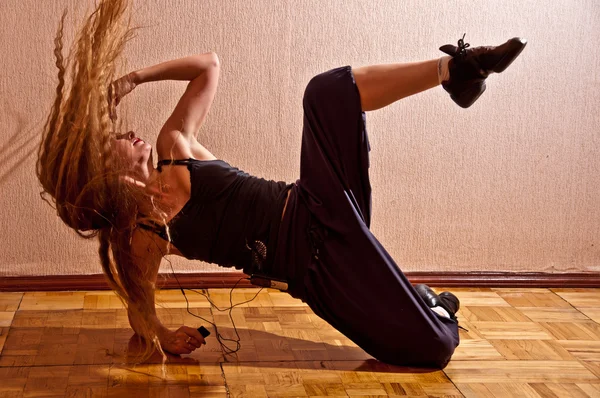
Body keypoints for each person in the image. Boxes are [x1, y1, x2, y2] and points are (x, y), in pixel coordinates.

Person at [37, 0, 526, 369]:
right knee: (434, 350)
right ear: (108, 176)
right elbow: (139, 310)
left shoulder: (174, 145)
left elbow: (209, 63)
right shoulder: (146, 237)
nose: (126, 132)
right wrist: (165, 334)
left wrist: (135, 79)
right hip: (314, 274)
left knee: (327, 90)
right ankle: (425, 303)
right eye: (113, 141)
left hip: (320, 200)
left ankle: (457, 69)